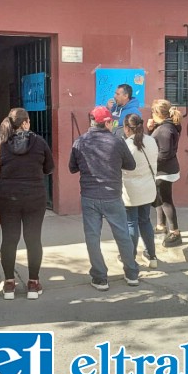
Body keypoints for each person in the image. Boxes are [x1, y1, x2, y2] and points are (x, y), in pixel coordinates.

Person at [69, 106, 139, 291]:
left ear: (92, 122)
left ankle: (100, 278)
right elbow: (130, 165)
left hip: (89, 196)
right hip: (112, 196)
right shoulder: (117, 142)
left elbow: (72, 168)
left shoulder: (80, 141)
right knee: (122, 235)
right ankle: (131, 273)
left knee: (92, 237)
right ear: (107, 122)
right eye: (111, 122)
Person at [0, 108, 54, 300]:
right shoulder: (40, 142)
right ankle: (33, 283)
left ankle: (9, 284)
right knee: (33, 239)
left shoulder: (1, 143)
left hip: (8, 196)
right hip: (35, 196)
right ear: (25, 122)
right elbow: (49, 168)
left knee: (9, 239)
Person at [121, 114, 159, 268]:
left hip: (130, 191)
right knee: (145, 221)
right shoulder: (151, 141)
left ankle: (131, 258)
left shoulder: (126, 145)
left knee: (131, 222)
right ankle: (152, 255)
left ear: (126, 128)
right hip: (148, 188)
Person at [147, 99, 183, 247]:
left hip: (164, 171)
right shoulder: (169, 125)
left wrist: (151, 164)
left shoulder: (164, 130)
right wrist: (150, 129)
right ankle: (161, 225)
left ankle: (175, 232)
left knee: (166, 200)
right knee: (158, 199)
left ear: (157, 114)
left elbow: (164, 152)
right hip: (166, 169)